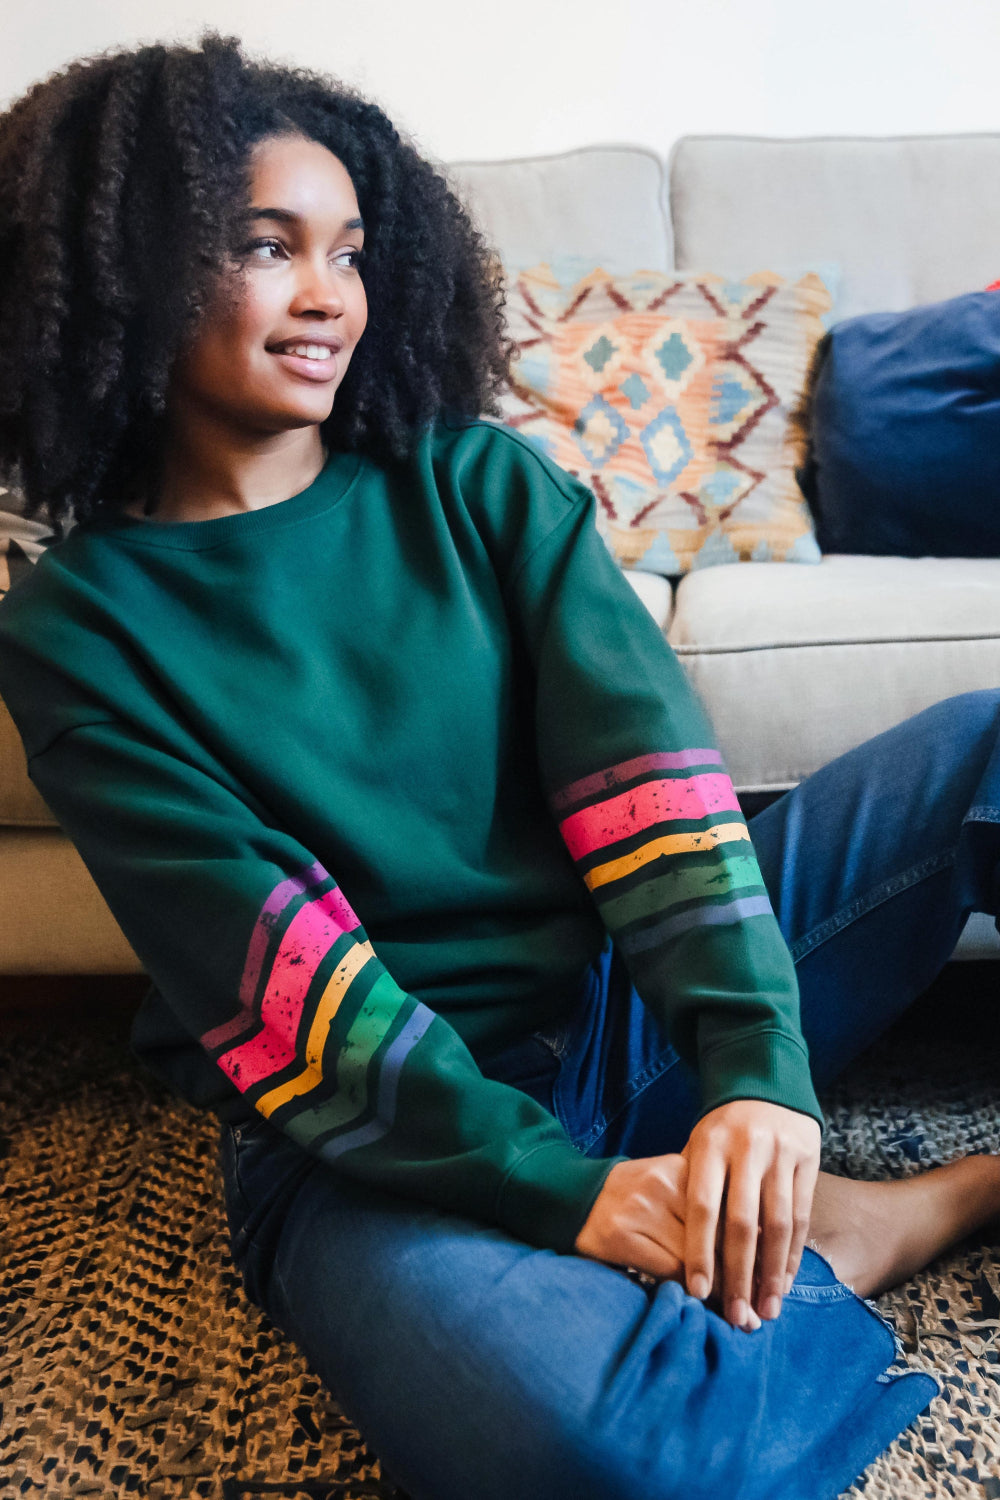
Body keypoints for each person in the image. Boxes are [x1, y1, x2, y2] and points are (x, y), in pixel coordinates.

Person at [0, 33, 998, 1500]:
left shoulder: (479, 484)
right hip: (366, 1140)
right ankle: (877, 1225)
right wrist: (571, 1199)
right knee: (601, 1454)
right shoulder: (75, 628)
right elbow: (284, 993)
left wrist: (756, 1082)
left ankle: (793, 1211)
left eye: (348, 248)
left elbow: (654, 798)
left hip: (613, 1022)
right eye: (266, 245)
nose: (327, 291)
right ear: (127, 267)